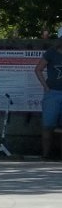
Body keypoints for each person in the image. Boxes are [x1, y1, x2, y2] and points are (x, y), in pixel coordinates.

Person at [33, 26, 62, 159]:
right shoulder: (51, 52)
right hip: (53, 93)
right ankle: (45, 155)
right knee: (48, 126)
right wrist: (46, 87)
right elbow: (38, 69)